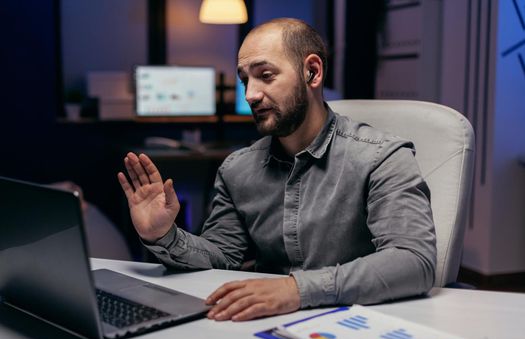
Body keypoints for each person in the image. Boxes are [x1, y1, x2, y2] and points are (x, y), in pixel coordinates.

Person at [118, 18, 436, 322]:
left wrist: (295, 289)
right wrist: (163, 234)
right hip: (260, 326)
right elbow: (222, 258)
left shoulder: (382, 156)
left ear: (312, 72)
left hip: (358, 325)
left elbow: (413, 261)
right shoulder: (236, 169)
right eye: (245, 80)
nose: (250, 95)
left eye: (265, 76)